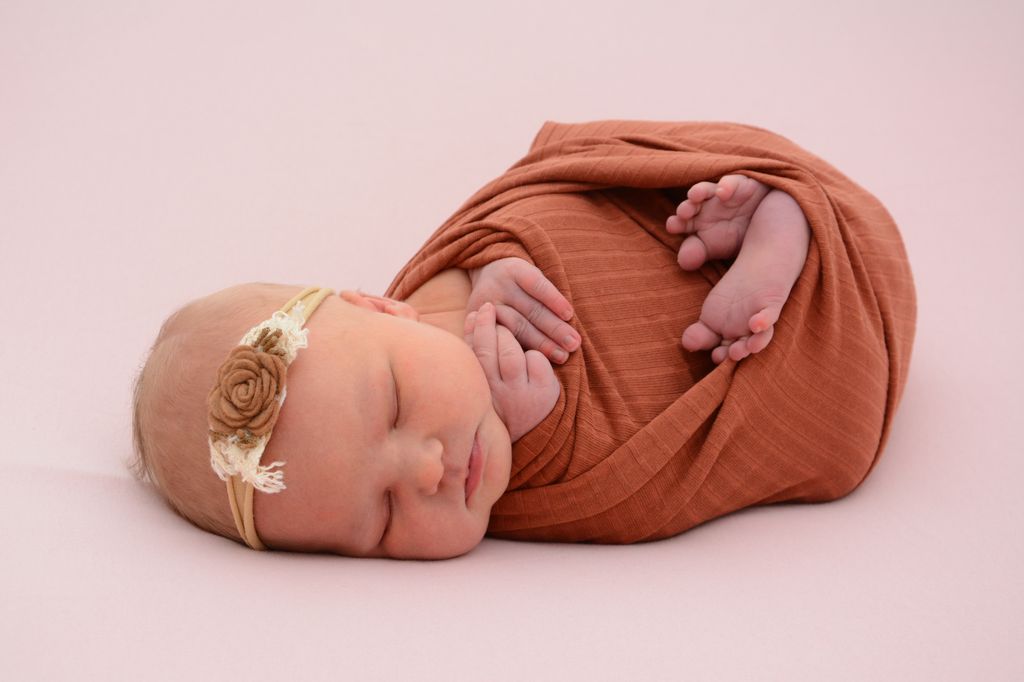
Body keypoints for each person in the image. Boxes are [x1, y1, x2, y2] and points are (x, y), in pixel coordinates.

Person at [131, 120, 916, 560]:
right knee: (830, 420)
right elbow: (625, 492)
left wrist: (496, 259)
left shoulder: (432, 284)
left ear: (382, 308)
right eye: (383, 518)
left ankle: (755, 215)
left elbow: (526, 198)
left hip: (653, 226)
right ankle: (787, 256)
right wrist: (537, 432)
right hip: (774, 348)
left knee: (570, 183)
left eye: (396, 404)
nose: (430, 470)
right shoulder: (517, 470)